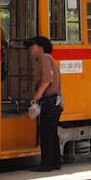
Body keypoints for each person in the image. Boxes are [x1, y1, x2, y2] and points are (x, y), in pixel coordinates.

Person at [24, 35, 63, 171]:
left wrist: (37, 95)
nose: (30, 49)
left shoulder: (44, 58)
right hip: (55, 101)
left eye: (32, 46)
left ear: (40, 47)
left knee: (46, 133)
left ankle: (46, 164)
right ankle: (55, 162)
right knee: (52, 133)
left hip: (49, 101)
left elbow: (47, 78)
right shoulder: (46, 59)